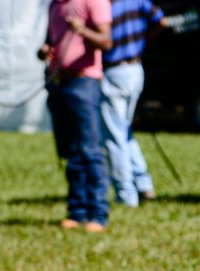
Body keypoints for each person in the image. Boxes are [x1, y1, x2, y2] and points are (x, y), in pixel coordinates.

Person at [40, 0, 113, 233]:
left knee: (90, 150)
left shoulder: (94, 2)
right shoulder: (54, 5)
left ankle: (98, 213)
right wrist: (44, 49)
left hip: (84, 82)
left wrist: (82, 30)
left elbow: (106, 41)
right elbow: (49, 40)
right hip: (59, 82)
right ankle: (77, 211)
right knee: (70, 151)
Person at [101, 0, 165, 207]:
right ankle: (143, 183)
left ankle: (125, 194)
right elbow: (161, 21)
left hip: (114, 71)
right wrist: (142, 41)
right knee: (124, 130)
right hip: (135, 69)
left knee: (114, 136)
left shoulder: (104, 6)